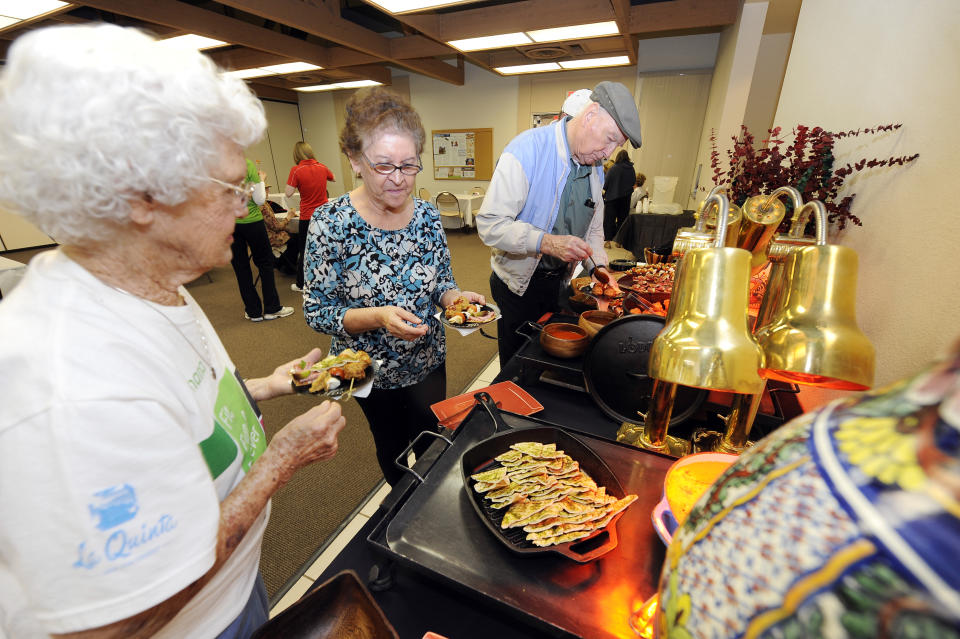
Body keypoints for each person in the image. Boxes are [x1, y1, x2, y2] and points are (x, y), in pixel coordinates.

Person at [0, 24, 346, 638]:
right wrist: (280, 462)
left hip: (232, 590)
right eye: (229, 187)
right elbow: (122, 617)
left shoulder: (152, 278)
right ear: (140, 198)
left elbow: (181, 407)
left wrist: (265, 385)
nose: (245, 206)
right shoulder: (72, 388)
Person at [302, 87, 485, 486]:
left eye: (409, 165)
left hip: (427, 357)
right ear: (354, 159)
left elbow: (441, 283)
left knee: (435, 439)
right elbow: (317, 311)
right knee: (393, 450)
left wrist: (456, 299)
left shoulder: (427, 217)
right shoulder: (330, 222)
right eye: (384, 166)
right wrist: (378, 317)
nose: (399, 179)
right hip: (367, 367)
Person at [476, 81, 643, 365]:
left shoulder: (595, 169)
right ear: (590, 115)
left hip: (559, 284)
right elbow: (491, 225)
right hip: (517, 286)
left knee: (548, 361)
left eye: (617, 145)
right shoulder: (526, 150)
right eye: (610, 138)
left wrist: (598, 268)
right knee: (518, 365)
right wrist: (547, 242)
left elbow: (593, 230)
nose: (608, 153)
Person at [230, 159, 294, 322]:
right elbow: (259, 200)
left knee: (241, 268)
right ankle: (272, 308)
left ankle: (253, 311)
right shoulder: (247, 165)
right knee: (265, 264)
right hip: (252, 222)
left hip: (230, 224)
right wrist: (262, 179)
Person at [286, 141, 335, 293]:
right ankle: (329, 280)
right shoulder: (322, 167)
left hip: (308, 217)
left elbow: (288, 193)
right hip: (324, 216)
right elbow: (332, 178)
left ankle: (301, 284)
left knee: (305, 250)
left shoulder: (296, 170)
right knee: (327, 248)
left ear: (297, 154)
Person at [602, 149, 636, 240]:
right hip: (625, 199)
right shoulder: (631, 169)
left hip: (612, 199)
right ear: (627, 157)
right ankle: (619, 241)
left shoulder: (614, 168)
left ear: (618, 157)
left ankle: (608, 241)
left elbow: (606, 184)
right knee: (622, 221)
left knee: (609, 221)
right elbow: (633, 182)